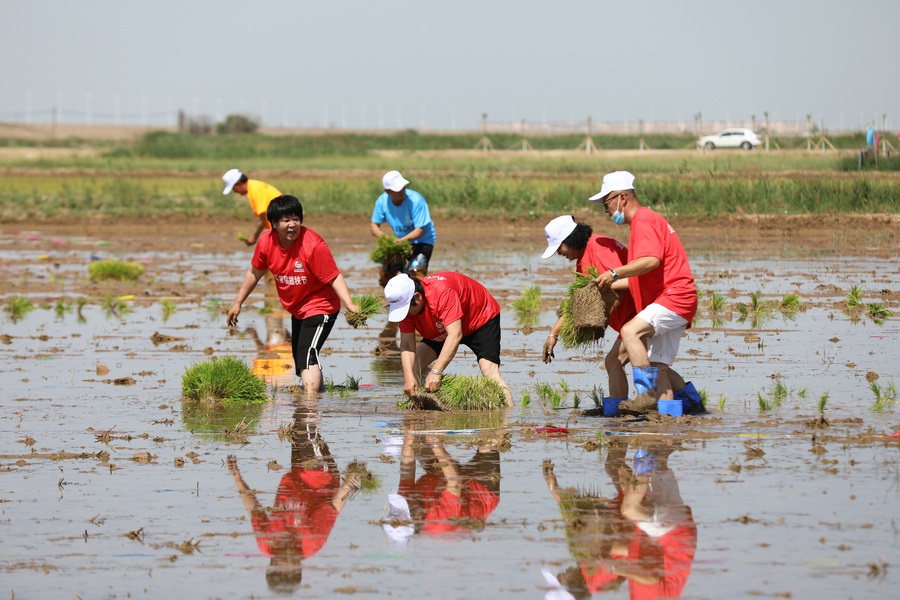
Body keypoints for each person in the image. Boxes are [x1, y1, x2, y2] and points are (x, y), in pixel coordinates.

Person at [541, 215, 703, 416]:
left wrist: (603, 317)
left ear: (570, 240)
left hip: (641, 313)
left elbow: (630, 281)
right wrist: (553, 334)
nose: (559, 253)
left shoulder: (599, 250)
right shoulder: (583, 259)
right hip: (633, 317)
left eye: (559, 247)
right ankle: (690, 404)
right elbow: (579, 302)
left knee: (625, 363)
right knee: (653, 365)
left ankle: (624, 411)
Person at [226, 403, 367, 593]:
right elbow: (334, 507)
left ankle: (311, 392)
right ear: (299, 567)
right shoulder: (311, 542)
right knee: (306, 427)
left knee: (299, 423)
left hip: (296, 473)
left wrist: (237, 478)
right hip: (321, 476)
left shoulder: (266, 544)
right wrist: (348, 483)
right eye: (290, 561)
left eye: (279, 561)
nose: (285, 557)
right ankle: (312, 393)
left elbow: (255, 511)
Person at [589, 171, 699, 416]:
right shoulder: (646, 221)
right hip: (677, 299)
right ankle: (667, 423)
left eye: (606, 203)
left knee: (630, 331)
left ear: (622, 197)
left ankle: (646, 393)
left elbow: (651, 260)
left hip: (673, 296)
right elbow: (641, 275)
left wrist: (614, 272)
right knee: (659, 368)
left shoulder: (643, 220)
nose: (606, 210)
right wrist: (605, 283)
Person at [227, 195, 359, 397]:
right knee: (300, 357)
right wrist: (238, 303)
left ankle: (309, 405)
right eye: (286, 220)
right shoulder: (266, 242)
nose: (292, 224)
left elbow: (334, 276)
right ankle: (318, 395)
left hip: (321, 305)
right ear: (273, 224)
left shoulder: (313, 245)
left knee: (307, 353)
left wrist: (349, 304)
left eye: (296, 219)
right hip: (298, 307)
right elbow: (254, 273)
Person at [383, 271, 512, 405]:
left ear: (417, 297)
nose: (405, 314)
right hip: (442, 326)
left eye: (406, 309)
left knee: (489, 371)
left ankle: (509, 414)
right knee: (414, 367)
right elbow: (407, 345)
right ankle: (420, 406)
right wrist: (408, 377)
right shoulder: (406, 307)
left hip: (479, 318)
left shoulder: (441, 293)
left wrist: (436, 371)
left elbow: (455, 335)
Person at [370, 170, 437, 283]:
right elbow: (373, 225)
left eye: (403, 187)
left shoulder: (416, 200)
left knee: (415, 273)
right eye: (397, 189)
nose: (402, 191)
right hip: (401, 242)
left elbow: (420, 230)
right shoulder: (382, 202)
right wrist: (385, 238)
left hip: (422, 241)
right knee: (386, 275)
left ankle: (418, 293)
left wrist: (402, 241)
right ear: (388, 191)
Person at [222, 168, 283, 246]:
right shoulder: (254, 186)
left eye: (233, 188)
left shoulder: (255, 190)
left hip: (282, 228)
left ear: (239, 183)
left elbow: (262, 219)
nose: (234, 191)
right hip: (280, 228)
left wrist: (254, 237)